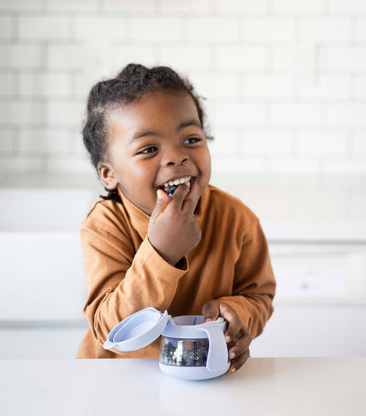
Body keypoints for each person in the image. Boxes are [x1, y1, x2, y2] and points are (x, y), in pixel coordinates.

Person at [77, 63, 276, 374]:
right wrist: (161, 253)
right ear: (109, 174)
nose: (176, 156)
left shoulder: (236, 218)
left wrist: (239, 313)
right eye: (149, 148)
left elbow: (258, 294)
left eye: (191, 139)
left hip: (205, 376)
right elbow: (109, 329)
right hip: (115, 380)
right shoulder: (105, 224)